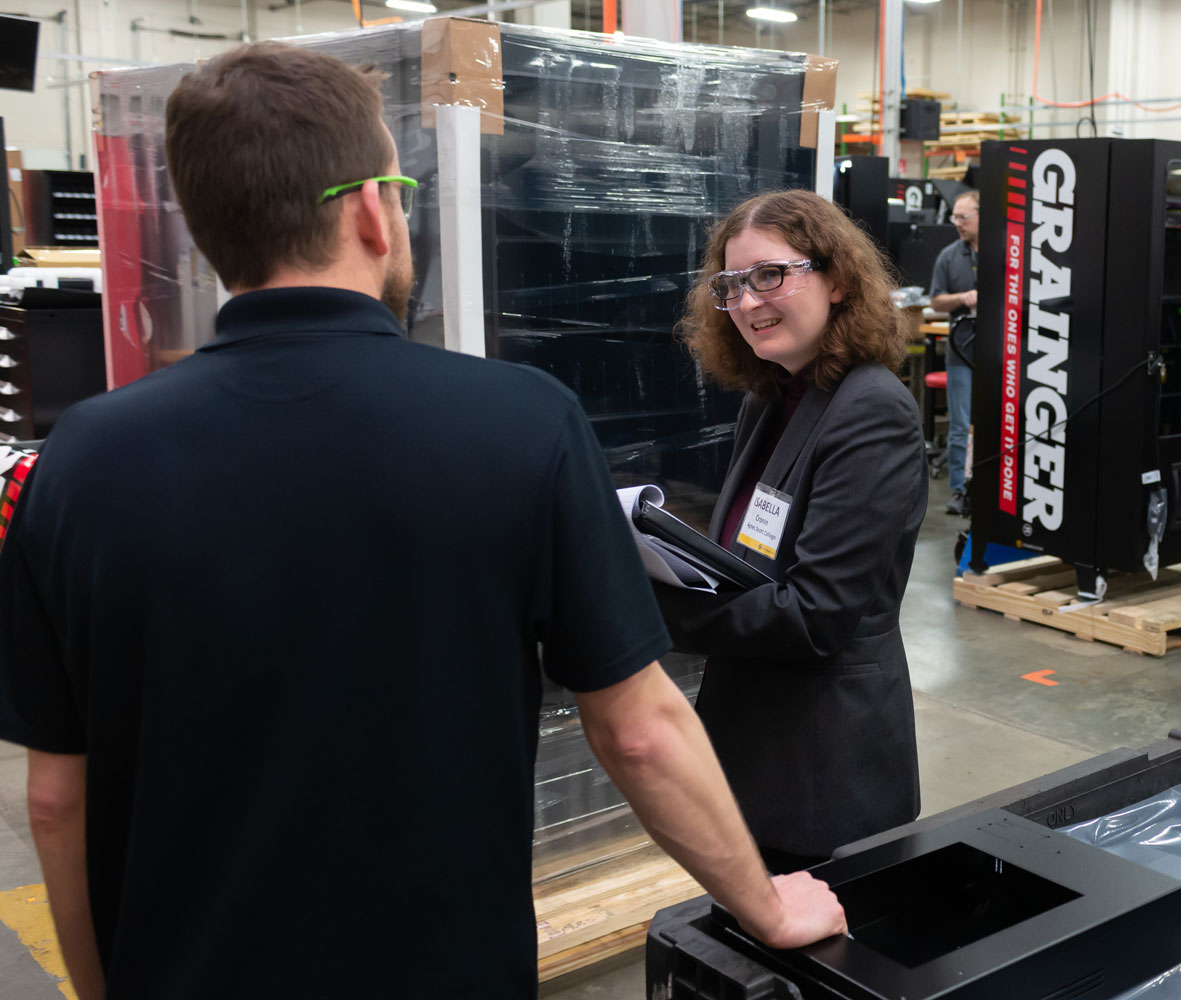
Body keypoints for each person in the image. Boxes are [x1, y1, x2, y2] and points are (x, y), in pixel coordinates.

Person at [0, 43, 843, 1000]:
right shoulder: (522, 424)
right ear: (373, 207)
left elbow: (58, 799)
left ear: (208, 232)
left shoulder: (81, 461)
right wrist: (768, 905)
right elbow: (641, 730)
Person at [660, 189, 924, 875]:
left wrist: (663, 606)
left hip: (822, 763)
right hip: (754, 735)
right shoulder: (773, 398)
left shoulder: (871, 412)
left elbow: (815, 615)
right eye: (732, 285)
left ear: (836, 280)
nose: (748, 302)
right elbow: (752, 561)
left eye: (770, 275)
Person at [928, 190, 980, 516]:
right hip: (961, 352)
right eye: (954, 217)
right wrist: (963, 297)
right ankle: (960, 490)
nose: (957, 223)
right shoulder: (949, 256)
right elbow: (936, 301)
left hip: (999, 354)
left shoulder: (1009, 252)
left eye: (963, 217)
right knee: (960, 425)